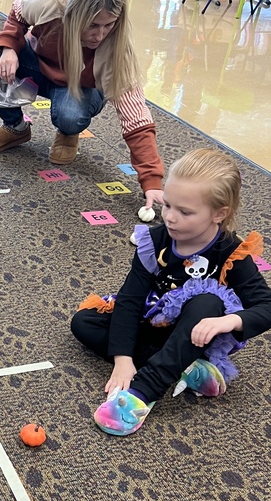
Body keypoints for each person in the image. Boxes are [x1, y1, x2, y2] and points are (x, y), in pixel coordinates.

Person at [71, 148, 271, 436]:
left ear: (219, 213)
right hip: (157, 323)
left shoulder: (231, 250)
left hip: (199, 332)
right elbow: (130, 300)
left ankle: (144, 392)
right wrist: (123, 359)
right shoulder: (154, 241)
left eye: (184, 212)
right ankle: (187, 370)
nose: (170, 218)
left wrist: (229, 321)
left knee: (207, 301)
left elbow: (266, 306)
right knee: (84, 321)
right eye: (167, 205)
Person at [0, 0, 164, 211]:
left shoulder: (117, 52)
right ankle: (15, 128)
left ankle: (67, 132)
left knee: (70, 116)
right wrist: (9, 47)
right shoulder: (52, 1)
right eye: (92, 25)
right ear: (74, 13)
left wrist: (152, 181)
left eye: (109, 24)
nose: (100, 35)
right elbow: (18, 14)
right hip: (39, 65)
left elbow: (136, 119)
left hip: (78, 86)